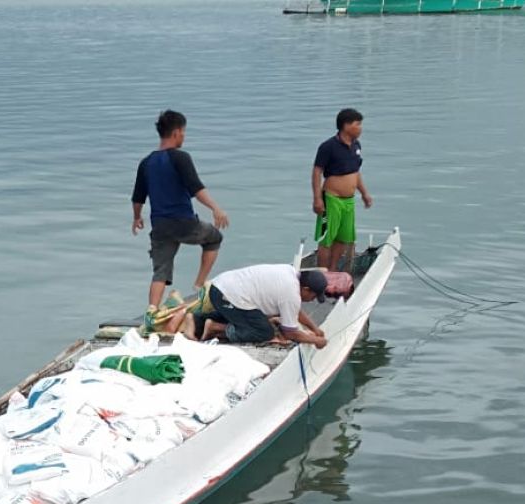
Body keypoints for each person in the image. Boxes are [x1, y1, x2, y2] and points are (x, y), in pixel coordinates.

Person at [131, 109, 230, 333]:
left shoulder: (146, 163)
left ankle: (151, 312)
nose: (184, 136)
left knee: (160, 272)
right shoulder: (180, 157)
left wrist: (137, 218)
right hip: (184, 223)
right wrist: (216, 208)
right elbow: (196, 188)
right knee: (214, 238)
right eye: (183, 132)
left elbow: (138, 197)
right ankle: (199, 286)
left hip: (160, 226)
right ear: (176, 133)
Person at [176, 263, 329, 347]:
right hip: (228, 296)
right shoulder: (291, 294)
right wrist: (317, 341)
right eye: (313, 296)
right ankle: (216, 327)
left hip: (220, 287)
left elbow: (294, 310)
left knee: (245, 316)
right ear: (306, 288)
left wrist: (314, 328)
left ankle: (196, 320)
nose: (312, 300)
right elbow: (290, 333)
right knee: (264, 331)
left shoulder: (290, 272)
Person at [312, 108, 373, 272]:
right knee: (326, 240)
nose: (360, 128)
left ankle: (333, 270)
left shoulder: (356, 146)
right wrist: (317, 198)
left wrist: (364, 193)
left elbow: (355, 172)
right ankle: (322, 274)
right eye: (357, 124)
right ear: (346, 125)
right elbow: (317, 171)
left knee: (343, 239)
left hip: (349, 201)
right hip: (331, 199)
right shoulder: (328, 146)